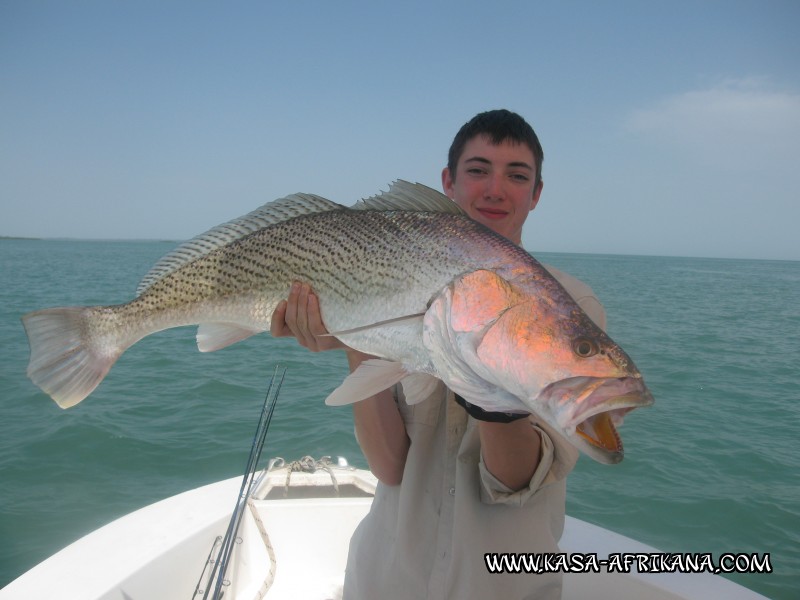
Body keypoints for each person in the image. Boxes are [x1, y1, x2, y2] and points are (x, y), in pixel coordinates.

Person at [270, 109, 606, 599]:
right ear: (448, 182)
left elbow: (513, 479)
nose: (495, 188)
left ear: (536, 194)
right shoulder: (384, 282)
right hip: (386, 581)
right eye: (477, 170)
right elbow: (389, 468)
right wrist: (355, 336)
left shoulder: (570, 309)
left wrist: (491, 379)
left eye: (517, 175)